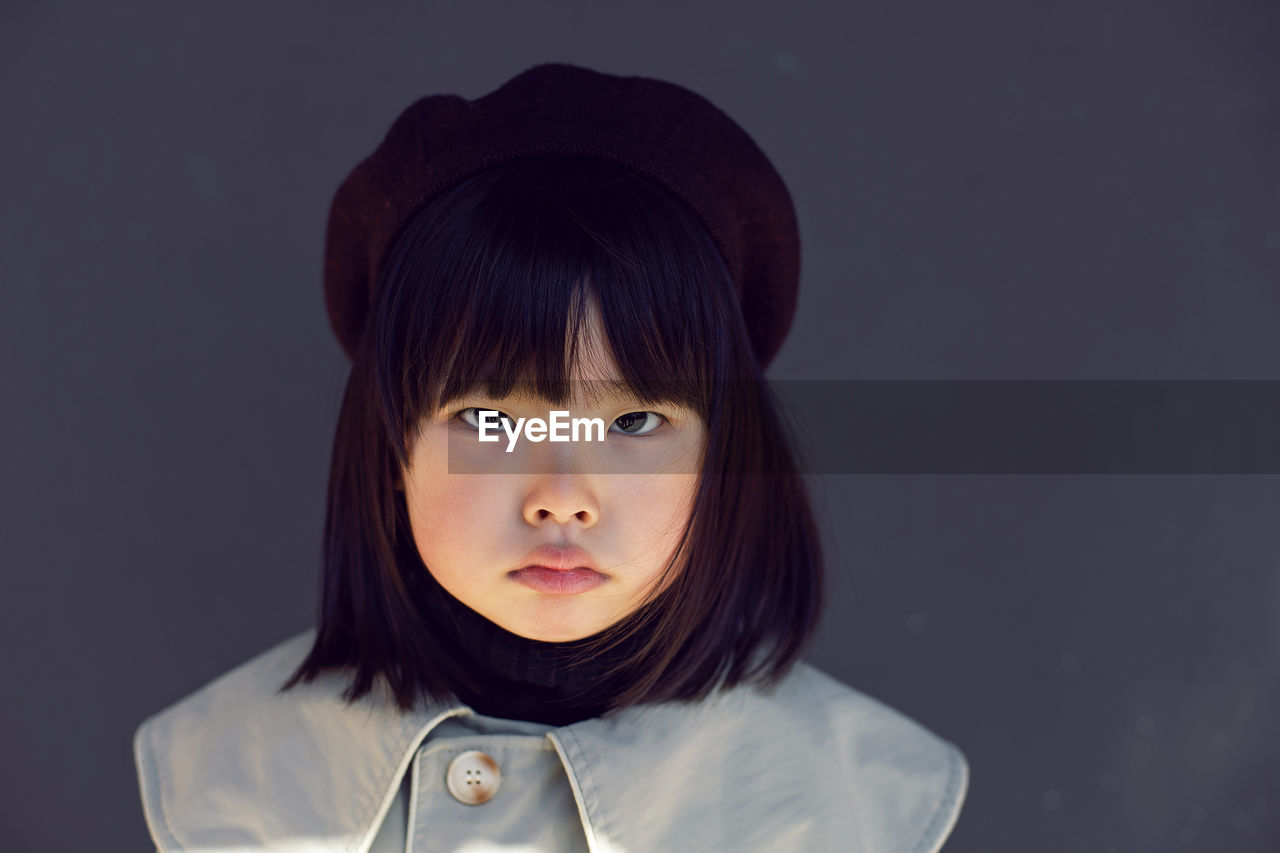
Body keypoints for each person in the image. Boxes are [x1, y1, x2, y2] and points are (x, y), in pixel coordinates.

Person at [132, 62, 969, 852]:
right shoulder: (225, 773)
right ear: (394, 444)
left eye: (635, 421)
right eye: (492, 421)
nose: (562, 496)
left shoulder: (855, 806)